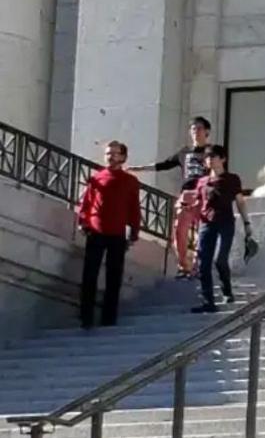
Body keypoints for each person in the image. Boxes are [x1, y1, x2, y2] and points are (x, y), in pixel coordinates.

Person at [131, 116, 211, 279]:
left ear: (207, 132)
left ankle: (198, 266)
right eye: (193, 129)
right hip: (187, 194)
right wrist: (140, 168)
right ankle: (184, 266)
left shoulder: (212, 152)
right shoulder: (184, 152)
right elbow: (164, 164)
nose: (196, 132)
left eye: (200, 129)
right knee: (179, 231)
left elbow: (219, 173)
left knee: (203, 233)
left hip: (204, 195)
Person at [75, 141, 142, 328]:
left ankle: (108, 318)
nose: (110, 157)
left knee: (114, 277)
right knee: (89, 275)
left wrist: (134, 231)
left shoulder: (130, 181)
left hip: (117, 234)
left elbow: (134, 208)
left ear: (123, 157)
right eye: (107, 153)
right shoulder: (96, 178)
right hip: (95, 232)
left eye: (114, 153)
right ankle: (85, 316)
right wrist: (83, 221)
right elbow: (86, 203)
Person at [191, 145, 251, 314]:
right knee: (204, 263)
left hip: (225, 222)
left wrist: (247, 223)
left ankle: (227, 290)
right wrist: (194, 229)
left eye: (214, 156)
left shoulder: (232, 179)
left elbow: (240, 201)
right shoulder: (202, 182)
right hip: (206, 223)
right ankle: (207, 301)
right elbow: (198, 205)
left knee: (220, 259)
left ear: (223, 159)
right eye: (208, 157)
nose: (210, 160)